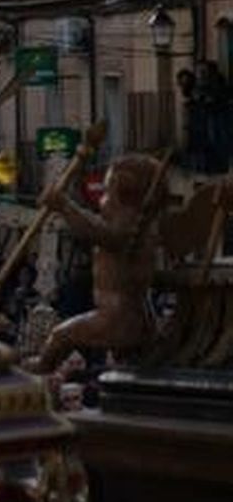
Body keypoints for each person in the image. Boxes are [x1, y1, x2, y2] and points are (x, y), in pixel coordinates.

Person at [32, 153, 162, 374]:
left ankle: (40, 371)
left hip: (115, 316)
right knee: (134, 369)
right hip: (135, 315)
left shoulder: (127, 228)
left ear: (126, 197)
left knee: (61, 335)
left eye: (107, 193)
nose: (102, 200)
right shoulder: (140, 227)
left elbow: (95, 231)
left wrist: (64, 205)